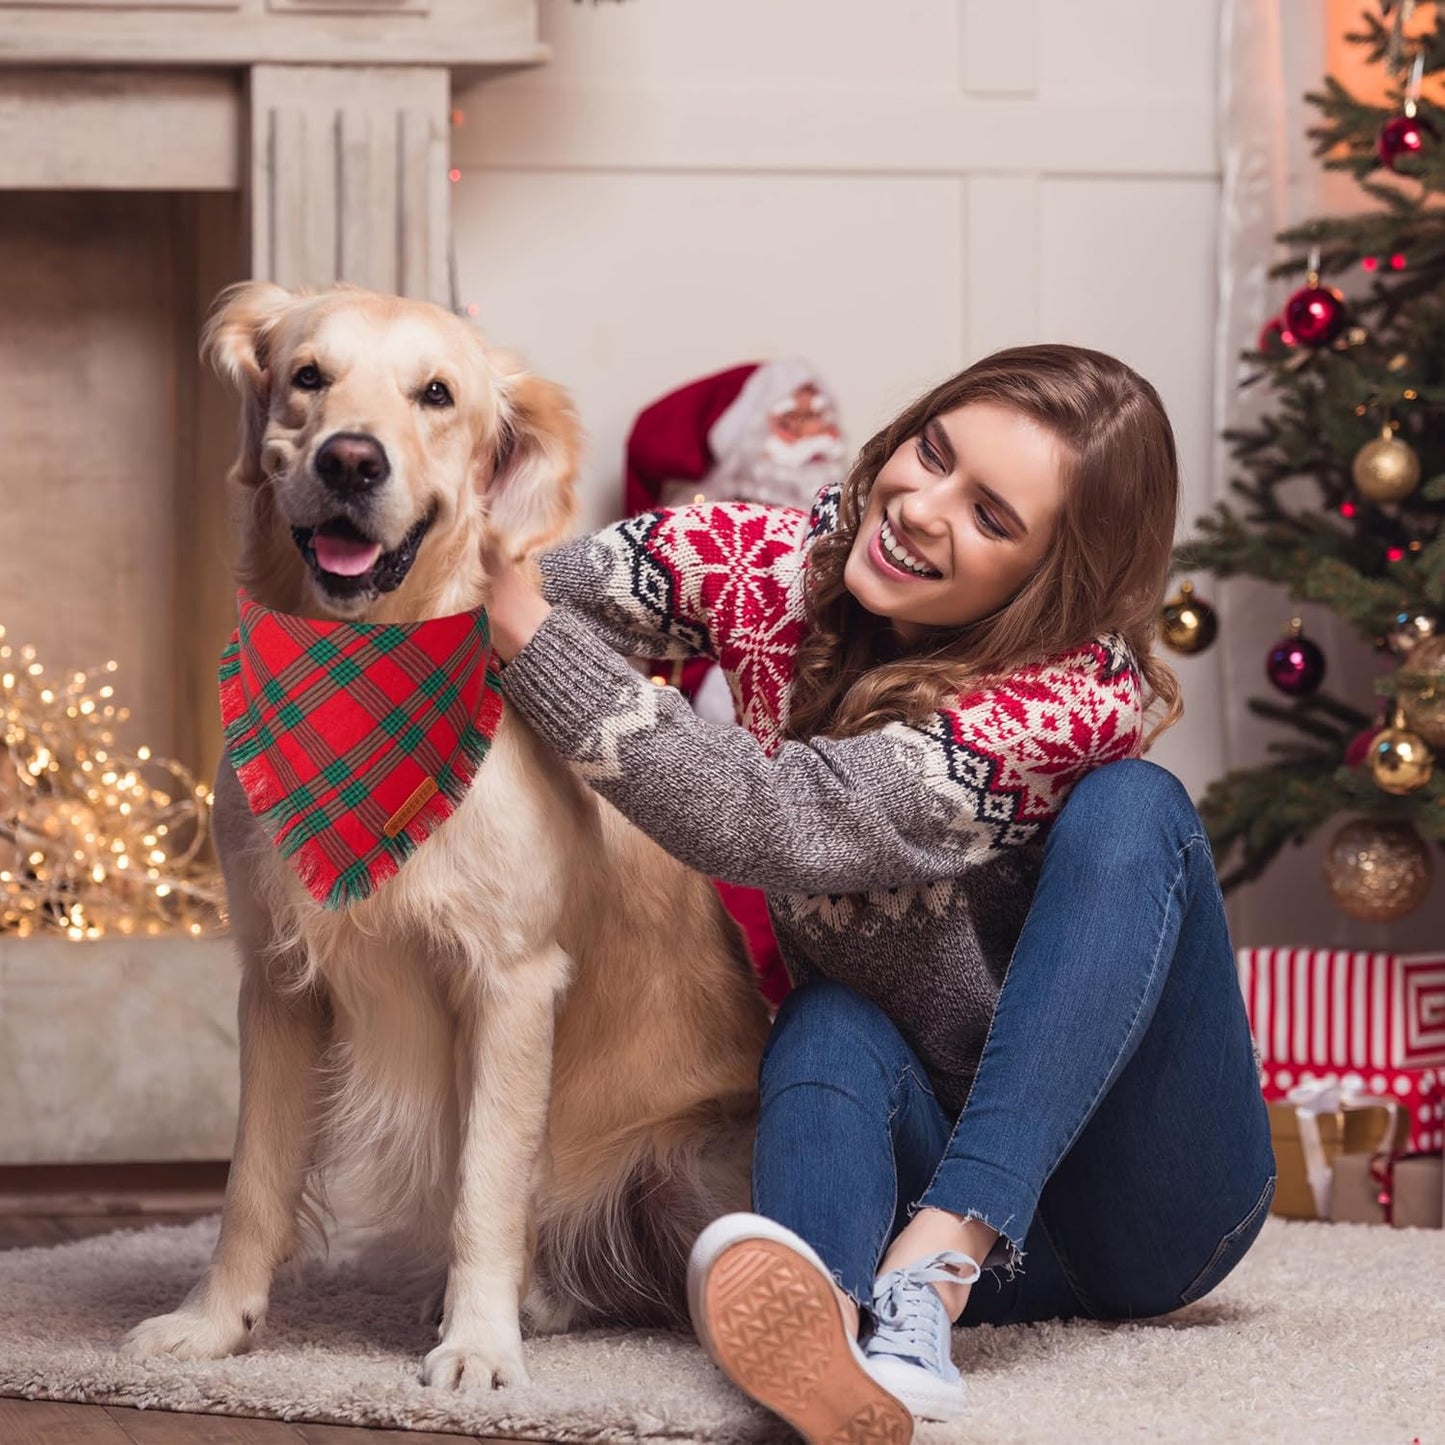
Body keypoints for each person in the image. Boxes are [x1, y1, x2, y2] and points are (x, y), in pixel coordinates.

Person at [479, 344, 1276, 1445]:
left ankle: (937, 1264)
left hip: (1143, 1199)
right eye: (930, 452)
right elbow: (510, 595)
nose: (919, 508)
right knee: (824, 1017)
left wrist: (523, 632)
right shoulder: (775, 558)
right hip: (919, 1158)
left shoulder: (1073, 698)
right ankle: (832, 1329)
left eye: (990, 515)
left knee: (1133, 808)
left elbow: (773, 817)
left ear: (1051, 577)